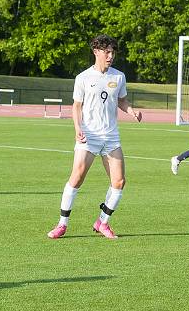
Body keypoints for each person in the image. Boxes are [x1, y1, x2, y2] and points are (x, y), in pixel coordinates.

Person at [47, 34, 142, 240]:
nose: (110, 56)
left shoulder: (118, 77)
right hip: (89, 135)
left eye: (113, 52)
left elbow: (122, 101)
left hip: (111, 136)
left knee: (119, 181)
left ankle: (102, 222)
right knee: (77, 177)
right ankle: (62, 224)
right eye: (107, 52)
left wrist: (132, 111)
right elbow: (77, 106)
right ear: (96, 52)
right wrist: (77, 128)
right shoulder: (83, 78)